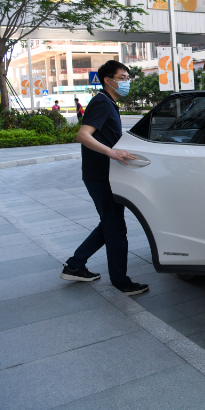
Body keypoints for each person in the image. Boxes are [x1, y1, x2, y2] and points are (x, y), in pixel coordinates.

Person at [60, 60, 148, 295]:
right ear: (108, 80)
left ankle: (75, 265)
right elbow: (83, 135)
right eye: (122, 78)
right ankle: (121, 282)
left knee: (109, 224)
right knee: (116, 228)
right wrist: (111, 152)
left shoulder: (108, 102)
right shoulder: (101, 102)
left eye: (128, 78)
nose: (127, 82)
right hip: (101, 175)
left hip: (102, 174)